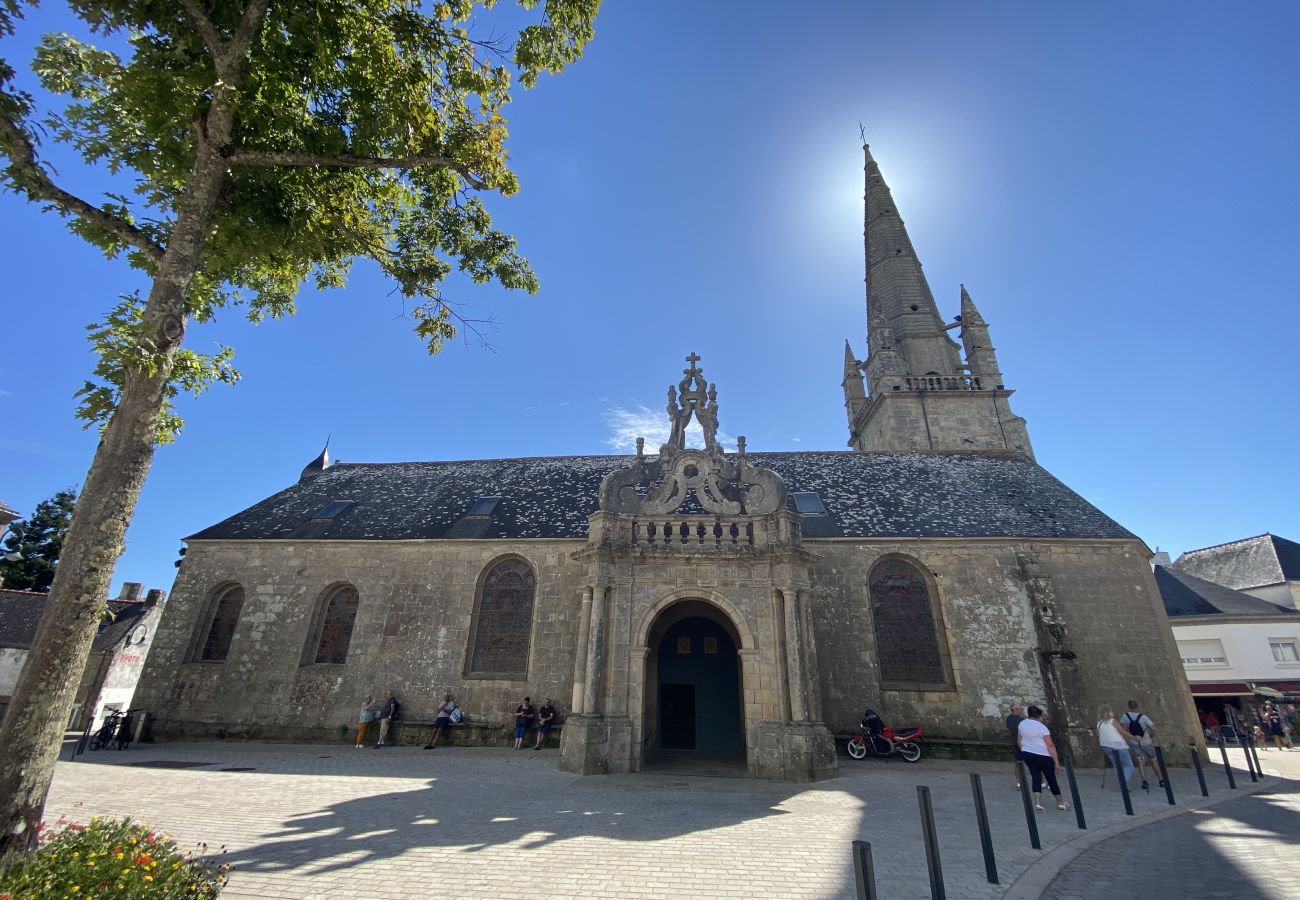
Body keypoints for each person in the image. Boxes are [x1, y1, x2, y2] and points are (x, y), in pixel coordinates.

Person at [1017, 705, 1069, 812]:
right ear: (1039, 716)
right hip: (1043, 755)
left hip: (1028, 753)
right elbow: (1050, 746)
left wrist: (1023, 749)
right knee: (1051, 779)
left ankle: (1038, 803)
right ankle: (1060, 802)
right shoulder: (1042, 728)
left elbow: (1019, 738)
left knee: (1036, 777)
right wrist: (1056, 762)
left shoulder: (1022, 724)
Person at [1121, 700, 1165, 790]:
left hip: (1135, 742)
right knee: (1154, 760)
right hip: (1146, 742)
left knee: (1141, 761)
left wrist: (1130, 737)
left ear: (1128, 707)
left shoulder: (1125, 716)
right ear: (1137, 707)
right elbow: (1153, 728)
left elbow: (1124, 729)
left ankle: (1144, 781)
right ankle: (1161, 780)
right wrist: (1152, 736)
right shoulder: (1144, 717)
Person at [1097, 705, 1135, 788]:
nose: (1112, 712)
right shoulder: (1112, 721)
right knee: (1129, 765)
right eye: (1111, 711)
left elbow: (1099, 735)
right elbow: (1123, 732)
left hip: (1106, 746)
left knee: (1117, 765)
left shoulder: (1099, 723)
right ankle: (1123, 781)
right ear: (1108, 712)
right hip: (1118, 745)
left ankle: (1123, 782)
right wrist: (1134, 737)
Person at [1005, 704, 1025, 788]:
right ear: (1016, 709)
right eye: (1020, 708)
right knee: (1036, 762)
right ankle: (1042, 782)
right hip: (1024, 743)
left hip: (1015, 743)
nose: (1022, 710)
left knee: (1018, 763)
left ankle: (1018, 782)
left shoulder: (1008, 719)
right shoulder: (1022, 720)